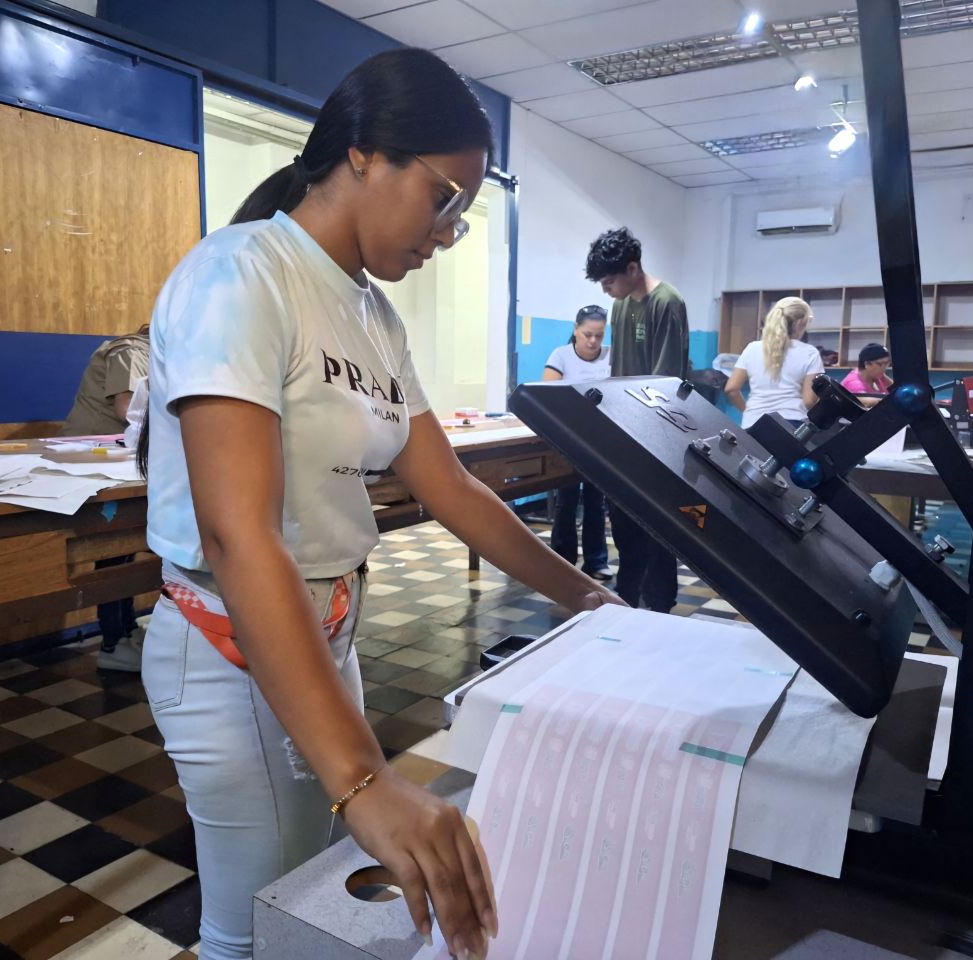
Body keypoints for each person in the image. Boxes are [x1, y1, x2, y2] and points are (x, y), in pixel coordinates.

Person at [138, 49, 622, 960]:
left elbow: (455, 490)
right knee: (252, 930)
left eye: (463, 217)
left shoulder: (373, 317)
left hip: (327, 637)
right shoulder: (242, 274)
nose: (446, 231)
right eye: (443, 197)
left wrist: (589, 598)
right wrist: (364, 781)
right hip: (230, 646)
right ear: (363, 153)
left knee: (310, 906)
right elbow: (236, 535)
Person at [584, 227, 688, 613]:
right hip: (626, 430)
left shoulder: (667, 302)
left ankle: (660, 605)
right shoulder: (620, 306)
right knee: (625, 525)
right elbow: (618, 372)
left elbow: (666, 380)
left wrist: (645, 431)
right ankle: (627, 601)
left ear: (632, 268)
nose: (606, 290)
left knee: (659, 528)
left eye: (610, 281)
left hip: (657, 433)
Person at [60, 328, 151, 671]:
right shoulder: (131, 351)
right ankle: (113, 642)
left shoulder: (154, 356)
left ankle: (126, 630)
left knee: (123, 547)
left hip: (115, 463)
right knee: (113, 551)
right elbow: (129, 407)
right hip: (91, 463)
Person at [543, 305, 612, 580]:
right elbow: (548, 396)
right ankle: (562, 560)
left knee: (596, 503)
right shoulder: (561, 356)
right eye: (587, 334)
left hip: (601, 440)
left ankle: (596, 562)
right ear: (575, 329)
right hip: (568, 440)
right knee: (566, 500)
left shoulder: (610, 356)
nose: (593, 341)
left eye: (599, 335)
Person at [724, 296, 824, 429]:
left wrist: (748, 410)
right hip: (791, 424)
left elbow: (731, 389)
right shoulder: (809, 353)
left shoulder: (752, 348)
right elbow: (809, 401)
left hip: (752, 423)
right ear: (800, 323)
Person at [841, 342, 892, 408]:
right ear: (867, 364)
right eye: (881, 364)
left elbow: (897, 389)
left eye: (887, 363)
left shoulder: (877, 374)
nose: (885, 368)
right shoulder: (855, 385)